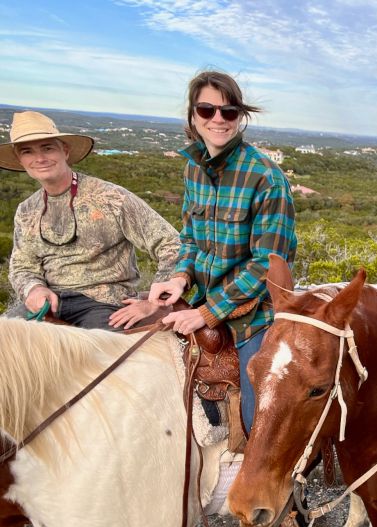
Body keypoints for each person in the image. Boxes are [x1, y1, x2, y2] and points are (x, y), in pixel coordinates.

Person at [148, 70, 297, 437]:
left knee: (256, 420)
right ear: (193, 115)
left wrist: (207, 313)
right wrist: (180, 277)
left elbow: (267, 263)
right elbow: (190, 238)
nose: (217, 119)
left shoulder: (265, 176)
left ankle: (274, 490)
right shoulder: (193, 168)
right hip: (198, 296)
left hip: (252, 314)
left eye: (228, 112)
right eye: (207, 109)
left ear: (239, 117)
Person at [1, 111, 179, 330]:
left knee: (100, 361)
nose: (39, 158)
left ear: (64, 151)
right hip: (49, 303)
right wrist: (33, 289)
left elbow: (171, 243)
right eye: (27, 151)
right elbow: (22, 266)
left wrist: (153, 303)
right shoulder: (26, 210)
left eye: (47, 148)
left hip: (103, 303)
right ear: (20, 159)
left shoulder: (111, 198)